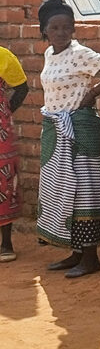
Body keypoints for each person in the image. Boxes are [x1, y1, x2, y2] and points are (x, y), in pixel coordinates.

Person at [36, 0, 100, 277]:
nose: (62, 32)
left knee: (85, 192)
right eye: (55, 28)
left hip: (81, 130)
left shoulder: (81, 53)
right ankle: (76, 252)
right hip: (57, 129)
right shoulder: (49, 55)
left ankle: (90, 257)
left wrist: (92, 93)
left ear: (73, 29)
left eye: (67, 27)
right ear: (45, 32)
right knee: (65, 191)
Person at [0, 46, 29, 262]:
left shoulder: (3, 56)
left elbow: (22, 88)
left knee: (4, 180)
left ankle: (6, 243)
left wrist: (5, 111)